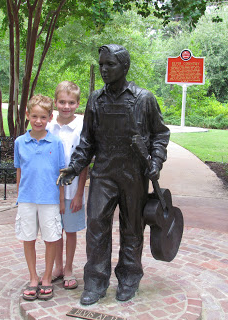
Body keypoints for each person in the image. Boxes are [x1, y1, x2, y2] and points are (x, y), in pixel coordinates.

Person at [57, 44, 170, 305]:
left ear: (125, 67)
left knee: (132, 227)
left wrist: (157, 160)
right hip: (104, 174)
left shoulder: (144, 98)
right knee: (96, 225)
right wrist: (74, 167)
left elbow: (160, 134)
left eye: (110, 65)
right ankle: (95, 281)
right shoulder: (95, 99)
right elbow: (87, 141)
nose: (105, 69)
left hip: (134, 175)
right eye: (102, 65)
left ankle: (129, 277)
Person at [14, 94, 65, 301]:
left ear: (50, 117)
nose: (38, 121)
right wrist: (19, 197)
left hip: (49, 199)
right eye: (34, 116)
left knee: (51, 238)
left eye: (43, 117)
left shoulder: (56, 142)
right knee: (28, 238)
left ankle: (46, 278)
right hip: (27, 199)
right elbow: (19, 171)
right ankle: (33, 277)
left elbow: (61, 174)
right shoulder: (20, 142)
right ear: (27, 115)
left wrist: (61, 201)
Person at [46, 81, 87, 290]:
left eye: (71, 102)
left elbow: (84, 163)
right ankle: (58, 268)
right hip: (51, 191)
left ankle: (69, 268)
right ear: (55, 102)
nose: (66, 106)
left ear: (77, 104)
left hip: (72, 191)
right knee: (55, 231)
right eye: (62, 102)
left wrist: (80, 193)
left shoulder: (81, 127)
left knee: (70, 230)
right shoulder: (48, 126)